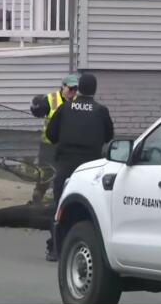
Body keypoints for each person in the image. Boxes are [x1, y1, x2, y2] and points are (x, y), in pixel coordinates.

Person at [44, 72, 113, 262]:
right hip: (91, 168)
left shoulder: (65, 108)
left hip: (66, 165)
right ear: (95, 89)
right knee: (89, 206)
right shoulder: (101, 111)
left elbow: (51, 134)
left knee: (59, 206)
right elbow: (109, 136)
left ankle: (56, 249)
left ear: (79, 88)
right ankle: (86, 246)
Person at [29, 74, 79, 204]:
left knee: (63, 174)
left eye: (75, 89)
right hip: (48, 146)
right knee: (44, 174)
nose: (73, 92)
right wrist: (35, 105)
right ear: (63, 87)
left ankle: (59, 201)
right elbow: (36, 112)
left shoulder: (77, 102)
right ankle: (37, 200)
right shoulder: (50, 100)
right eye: (71, 88)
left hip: (66, 147)